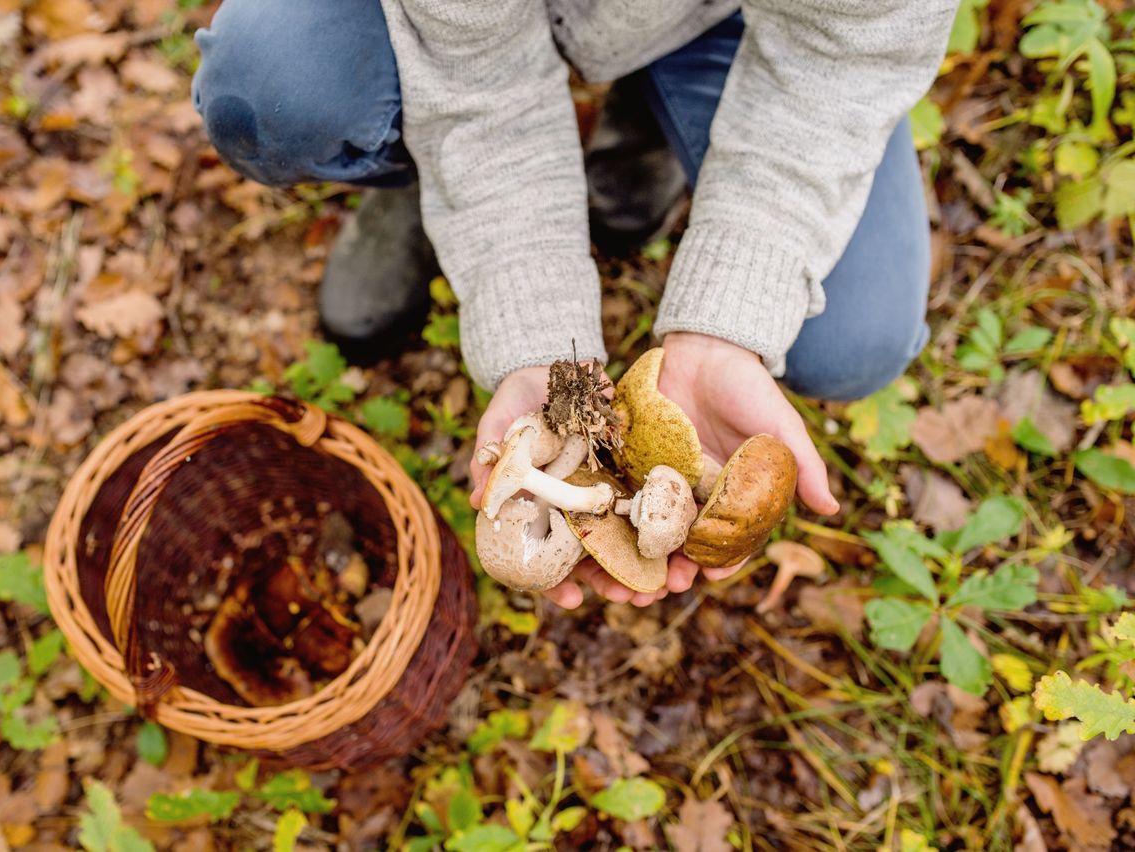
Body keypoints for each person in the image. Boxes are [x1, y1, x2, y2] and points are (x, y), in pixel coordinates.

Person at [193, 0, 956, 609]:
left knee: (853, 337)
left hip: (737, 21)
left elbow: (846, 55)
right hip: (462, 39)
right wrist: (538, 335)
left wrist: (731, 320)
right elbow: (479, 90)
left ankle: (648, 124)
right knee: (273, 84)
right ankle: (416, 175)